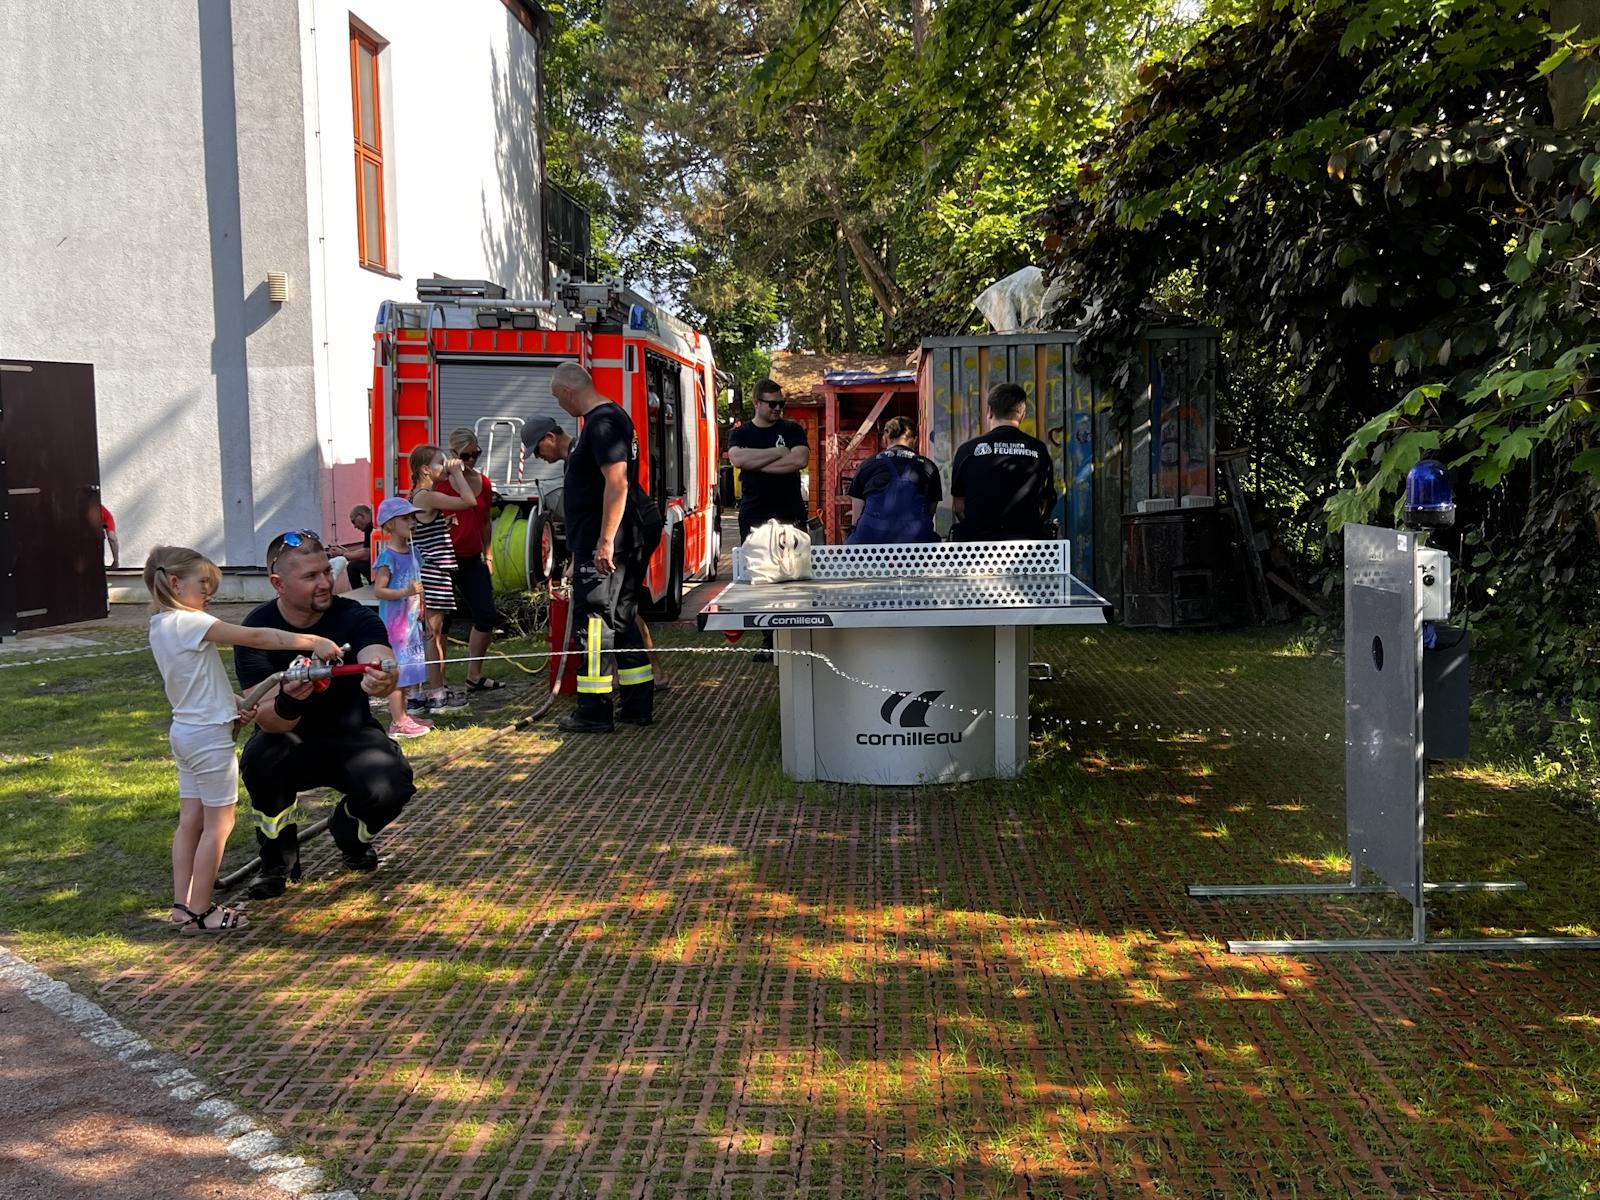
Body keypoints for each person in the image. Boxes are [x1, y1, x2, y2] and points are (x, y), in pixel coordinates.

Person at [144, 545, 342, 931]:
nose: (208, 592)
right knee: (219, 824)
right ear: (175, 583)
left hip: (186, 732)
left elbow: (194, 679)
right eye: (202, 583)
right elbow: (256, 636)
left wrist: (234, 702)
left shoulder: (161, 624)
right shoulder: (191, 622)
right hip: (208, 740)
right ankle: (202, 912)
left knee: (191, 822)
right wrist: (312, 641)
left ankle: (183, 906)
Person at [233, 530, 407, 900]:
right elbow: (268, 719)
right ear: (278, 583)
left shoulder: (355, 616)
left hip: (351, 735)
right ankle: (277, 861)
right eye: (311, 576)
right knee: (261, 762)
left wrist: (382, 678)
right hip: (286, 737)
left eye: (327, 571)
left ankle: (349, 833)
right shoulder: (254, 631)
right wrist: (290, 701)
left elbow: (379, 658)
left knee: (392, 783)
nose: (326, 583)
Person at [546, 362, 655, 733]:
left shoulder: (602, 424)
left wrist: (604, 542)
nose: (560, 405)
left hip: (606, 546)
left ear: (569, 391)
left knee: (594, 624)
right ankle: (637, 703)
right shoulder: (609, 419)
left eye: (558, 398)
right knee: (622, 619)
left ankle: (594, 710)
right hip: (618, 541)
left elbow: (617, 483)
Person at [523, 415, 667, 689]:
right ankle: (636, 674)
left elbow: (607, 500)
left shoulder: (584, 453)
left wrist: (602, 545)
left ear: (550, 438)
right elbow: (584, 515)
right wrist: (577, 557)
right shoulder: (574, 458)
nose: (538, 457)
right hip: (628, 528)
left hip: (636, 525)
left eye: (537, 449)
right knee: (619, 605)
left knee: (619, 605)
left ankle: (644, 674)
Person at [407, 444, 473, 716]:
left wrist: (441, 528)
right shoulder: (427, 496)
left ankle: (416, 695)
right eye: (440, 462)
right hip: (433, 572)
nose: (445, 466)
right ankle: (437, 695)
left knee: (421, 636)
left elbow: (421, 533)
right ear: (425, 469)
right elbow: (469, 501)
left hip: (425, 571)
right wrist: (457, 473)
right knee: (432, 637)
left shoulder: (416, 496)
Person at [437, 428, 504, 693]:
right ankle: (439, 681)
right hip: (443, 559)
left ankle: (474, 675)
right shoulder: (440, 483)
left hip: (471, 558)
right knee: (441, 621)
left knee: (486, 615)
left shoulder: (483, 482)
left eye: (477, 454)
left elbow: (485, 521)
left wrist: (488, 555)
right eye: (466, 456)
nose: (472, 460)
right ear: (453, 454)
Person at [950, 382, 1057, 541]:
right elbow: (1047, 501)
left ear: (989, 411)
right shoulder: (1039, 450)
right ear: (1022, 414)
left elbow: (958, 507)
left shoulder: (967, 450)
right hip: (1027, 547)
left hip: (976, 548)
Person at [370, 498, 432, 740]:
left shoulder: (414, 552)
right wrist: (405, 592)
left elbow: (420, 587)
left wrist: (425, 616)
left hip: (413, 622)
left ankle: (405, 715)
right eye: (405, 518)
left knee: (409, 672)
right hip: (396, 627)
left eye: (413, 518)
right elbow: (379, 591)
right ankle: (398, 722)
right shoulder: (388, 557)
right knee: (398, 672)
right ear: (389, 524)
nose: (412, 522)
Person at [727, 378, 809, 541]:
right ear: (756, 403)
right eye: (772, 404)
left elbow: (799, 460)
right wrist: (779, 451)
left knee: (794, 558)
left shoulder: (792, 429)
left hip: (790, 514)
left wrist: (754, 464)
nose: (777, 408)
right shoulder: (741, 433)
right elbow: (737, 458)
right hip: (754, 515)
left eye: (781, 403)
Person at [847, 416, 942, 544]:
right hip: (916, 542)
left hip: (871, 541)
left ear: (885, 439)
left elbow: (856, 518)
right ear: (914, 440)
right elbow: (930, 513)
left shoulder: (867, 465)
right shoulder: (928, 467)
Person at [334, 505, 374, 589]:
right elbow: (366, 550)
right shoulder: (373, 526)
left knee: (352, 566)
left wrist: (343, 554)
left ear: (361, 516)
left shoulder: (370, 527)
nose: (355, 526)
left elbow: (366, 554)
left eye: (353, 522)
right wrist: (347, 553)